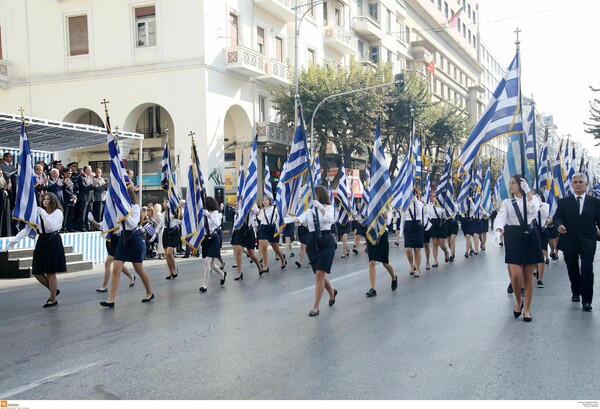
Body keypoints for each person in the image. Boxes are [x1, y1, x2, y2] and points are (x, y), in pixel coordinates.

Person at [493, 175, 542, 322]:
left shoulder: (532, 200)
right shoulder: (508, 202)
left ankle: (527, 309)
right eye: (510, 183)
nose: (511, 186)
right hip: (513, 236)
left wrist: (528, 193)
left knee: (528, 275)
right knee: (515, 275)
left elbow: (535, 210)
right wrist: (498, 230)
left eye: (513, 183)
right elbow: (501, 217)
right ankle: (518, 301)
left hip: (529, 235)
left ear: (521, 184)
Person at [100, 187, 154, 308]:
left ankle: (149, 292)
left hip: (134, 238)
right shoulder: (119, 207)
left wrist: (125, 213)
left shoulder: (134, 208)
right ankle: (111, 300)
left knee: (139, 269)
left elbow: (133, 223)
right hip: (122, 239)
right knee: (116, 268)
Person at [553, 172, 600, 312]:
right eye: (575, 182)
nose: (578, 184)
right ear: (572, 185)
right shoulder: (563, 202)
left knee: (587, 269)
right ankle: (576, 290)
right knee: (572, 268)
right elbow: (557, 218)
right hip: (569, 240)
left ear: (586, 184)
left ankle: (587, 300)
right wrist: (559, 226)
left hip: (588, 240)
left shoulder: (595, 202)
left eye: (581, 182)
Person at [290, 185, 337, 317]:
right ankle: (332, 291)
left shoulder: (329, 208)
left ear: (320, 195)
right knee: (319, 274)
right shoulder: (310, 211)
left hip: (326, 241)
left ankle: (315, 306)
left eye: (314, 195)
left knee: (319, 275)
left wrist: (321, 207)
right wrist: (292, 219)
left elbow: (330, 220)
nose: (312, 198)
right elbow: (300, 219)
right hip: (313, 243)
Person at [29, 193, 66, 307]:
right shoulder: (41, 212)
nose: (45, 201)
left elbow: (51, 226)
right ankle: (53, 289)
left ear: (53, 201)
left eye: (48, 199)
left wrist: (43, 213)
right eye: (44, 199)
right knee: (36, 270)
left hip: (53, 239)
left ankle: (53, 298)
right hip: (42, 240)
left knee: (50, 271)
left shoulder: (58, 212)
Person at [89, 214, 136, 293]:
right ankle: (131, 276)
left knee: (108, 263)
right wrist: (91, 220)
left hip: (118, 238)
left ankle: (104, 286)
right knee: (117, 262)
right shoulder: (109, 213)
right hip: (110, 239)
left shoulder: (119, 213)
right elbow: (100, 226)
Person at [365, 206, 398, 297]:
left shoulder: (388, 207)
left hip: (382, 235)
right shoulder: (372, 204)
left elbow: (388, 222)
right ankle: (373, 288)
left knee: (385, 263)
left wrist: (381, 214)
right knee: (372, 261)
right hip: (372, 233)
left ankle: (394, 277)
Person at [199, 197, 227, 293]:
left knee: (207, 262)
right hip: (206, 238)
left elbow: (217, 223)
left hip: (214, 237)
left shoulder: (216, 212)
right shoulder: (202, 212)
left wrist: (208, 215)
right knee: (211, 264)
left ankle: (204, 285)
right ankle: (222, 274)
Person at [230, 201, 263, 280]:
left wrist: (252, 207)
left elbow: (258, 212)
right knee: (238, 250)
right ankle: (239, 272)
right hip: (239, 229)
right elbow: (236, 218)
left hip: (248, 230)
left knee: (251, 253)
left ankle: (258, 265)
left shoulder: (252, 204)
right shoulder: (240, 203)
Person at [401, 191, 427, 277]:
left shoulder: (419, 203)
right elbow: (403, 217)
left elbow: (419, 211)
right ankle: (412, 265)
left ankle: (418, 268)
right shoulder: (405, 205)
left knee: (417, 249)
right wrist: (401, 230)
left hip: (417, 226)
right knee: (408, 249)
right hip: (408, 226)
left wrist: (415, 199)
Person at [257, 196, 286, 272]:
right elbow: (259, 218)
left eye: (266, 200)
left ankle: (282, 259)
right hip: (263, 228)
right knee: (264, 246)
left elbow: (280, 216)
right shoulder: (261, 211)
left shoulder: (274, 209)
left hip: (272, 228)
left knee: (275, 248)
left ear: (269, 201)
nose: (264, 201)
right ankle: (266, 266)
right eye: (263, 200)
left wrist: (280, 228)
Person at [161, 198, 182, 279]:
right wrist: (155, 234)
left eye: (165, 202)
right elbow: (161, 224)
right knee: (166, 254)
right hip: (166, 232)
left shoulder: (173, 212)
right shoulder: (163, 214)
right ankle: (170, 272)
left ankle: (174, 269)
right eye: (164, 202)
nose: (164, 203)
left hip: (173, 232)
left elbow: (175, 218)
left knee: (169, 253)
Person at [427, 192, 450, 267]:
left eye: (433, 196)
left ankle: (446, 252)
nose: (432, 198)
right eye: (431, 196)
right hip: (434, 223)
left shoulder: (442, 205)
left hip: (442, 223)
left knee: (442, 244)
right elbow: (429, 216)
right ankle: (435, 261)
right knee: (435, 244)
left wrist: (445, 212)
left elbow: (447, 216)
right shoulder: (430, 206)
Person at [534, 192, 550, 288]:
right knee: (534, 254)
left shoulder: (545, 205)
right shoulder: (530, 206)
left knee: (541, 255)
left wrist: (539, 204)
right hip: (534, 232)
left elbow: (545, 214)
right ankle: (535, 269)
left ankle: (540, 279)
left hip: (543, 231)